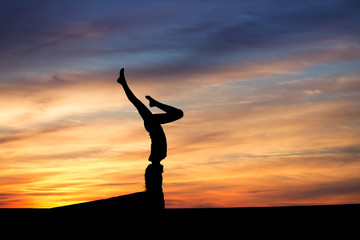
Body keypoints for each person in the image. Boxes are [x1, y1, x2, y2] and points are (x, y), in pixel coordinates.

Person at [117, 68, 183, 201]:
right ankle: (152, 102)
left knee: (140, 104)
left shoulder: (158, 155)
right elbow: (135, 102)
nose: (162, 170)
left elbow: (135, 102)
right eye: (161, 171)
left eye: (160, 171)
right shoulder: (159, 155)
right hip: (152, 125)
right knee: (177, 114)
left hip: (152, 125)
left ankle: (125, 85)